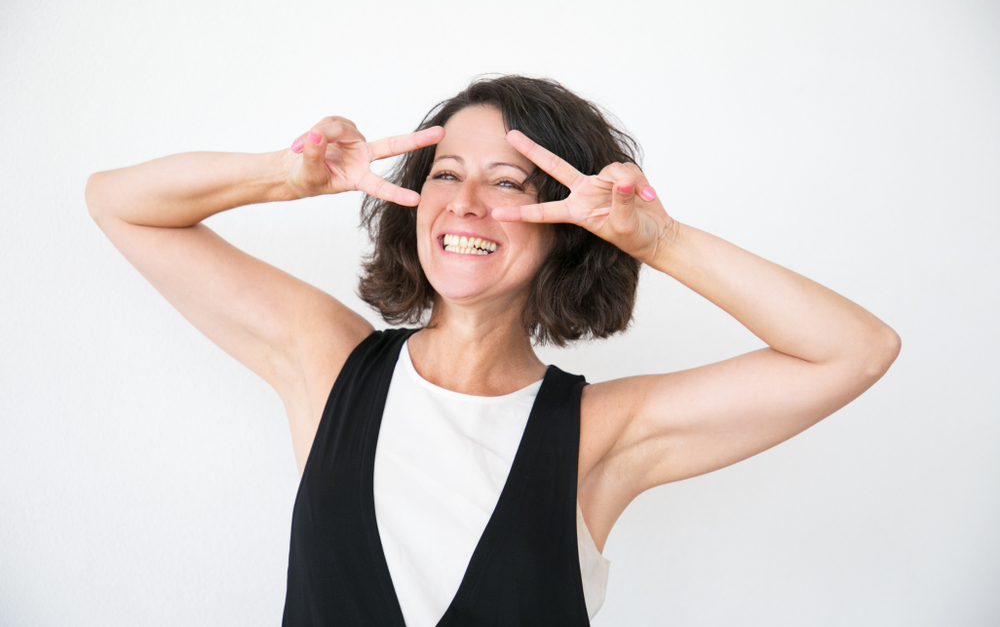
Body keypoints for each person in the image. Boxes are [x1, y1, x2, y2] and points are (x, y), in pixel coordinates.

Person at [85, 75, 900, 626]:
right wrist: (284, 175)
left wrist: (658, 237)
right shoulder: (330, 363)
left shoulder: (600, 432)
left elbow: (855, 351)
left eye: (508, 182)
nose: (465, 204)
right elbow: (118, 203)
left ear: (568, 223)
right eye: (445, 174)